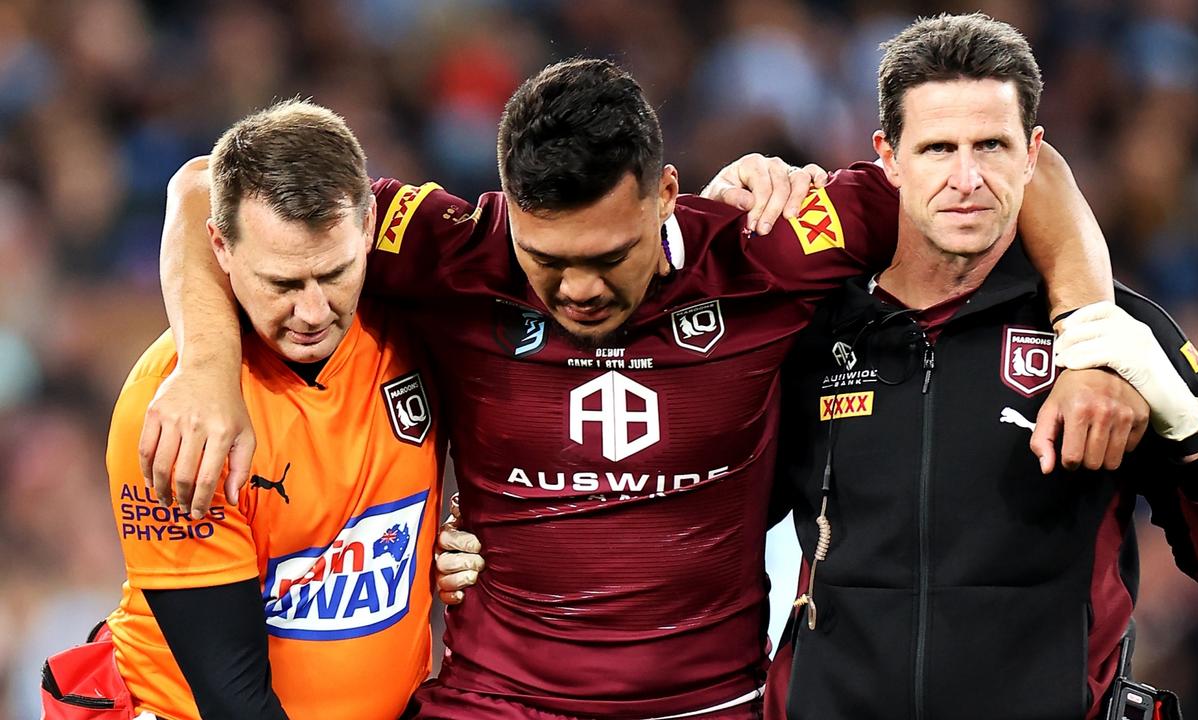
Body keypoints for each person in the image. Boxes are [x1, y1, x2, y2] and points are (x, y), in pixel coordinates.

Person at [150, 58, 1132, 719]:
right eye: (546, 258)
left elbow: (1021, 173)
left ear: (668, 195)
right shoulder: (445, 247)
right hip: (496, 703)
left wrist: (1088, 339)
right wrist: (203, 363)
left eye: (607, 256)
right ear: (504, 202)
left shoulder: (765, 250)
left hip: (706, 706)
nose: (577, 287)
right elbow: (206, 183)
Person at [767, 14, 1198, 720]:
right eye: (938, 148)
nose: (966, 178)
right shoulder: (813, 333)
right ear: (888, 157)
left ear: (1034, 153)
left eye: (992, 146)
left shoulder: (1113, 339)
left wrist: (1193, 429)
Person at [48, 101, 446, 720]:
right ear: (220, 248)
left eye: (334, 273)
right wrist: (207, 362)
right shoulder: (176, 418)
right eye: (282, 284)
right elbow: (234, 702)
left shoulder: (415, 321)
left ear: (368, 228)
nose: (313, 312)